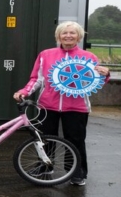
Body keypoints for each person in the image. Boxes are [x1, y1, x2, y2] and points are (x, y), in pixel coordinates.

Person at [13, 21, 110, 186]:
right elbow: (36, 78)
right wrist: (24, 91)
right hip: (47, 105)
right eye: (64, 33)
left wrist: (105, 73)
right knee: (44, 138)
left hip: (77, 107)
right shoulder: (46, 54)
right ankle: (45, 167)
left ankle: (76, 172)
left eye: (72, 33)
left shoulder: (89, 57)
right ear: (58, 36)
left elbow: (95, 80)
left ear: (79, 36)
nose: (68, 36)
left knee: (75, 139)